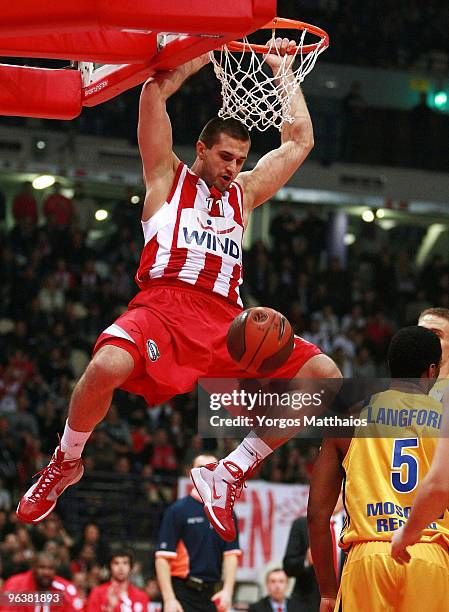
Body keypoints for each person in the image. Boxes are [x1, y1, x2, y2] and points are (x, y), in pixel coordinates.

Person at [17, 40, 341, 540]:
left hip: (226, 322)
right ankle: (66, 460)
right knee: (104, 366)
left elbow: (299, 142)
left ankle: (230, 470)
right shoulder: (166, 178)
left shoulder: (246, 195)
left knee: (325, 376)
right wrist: (202, 45)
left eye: (240, 159)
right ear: (202, 150)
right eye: (226, 156)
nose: (233, 167)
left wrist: (282, 71)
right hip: (163, 308)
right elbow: (153, 93)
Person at [308, 326, 449, 612]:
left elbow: (316, 515)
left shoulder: (349, 417)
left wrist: (327, 592)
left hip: (367, 556)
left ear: (390, 367)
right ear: (432, 370)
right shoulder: (445, 421)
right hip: (431, 555)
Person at [391, 307, 449, 563]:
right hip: (394, 528)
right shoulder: (394, 397)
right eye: (421, 331)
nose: (425, 339)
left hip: (439, 533)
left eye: (436, 334)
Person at [155, 454, 240, 612]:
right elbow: (162, 558)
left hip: (211, 595)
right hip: (182, 594)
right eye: (202, 469)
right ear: (192, 473)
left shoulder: (227, 512)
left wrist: (228, 591)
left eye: (213, 468)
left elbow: (231, 554)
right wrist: (169, 599)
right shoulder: (178, 510)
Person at [283, 495, 344, 611]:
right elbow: (288, 566)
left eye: (340, 493)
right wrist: (306, 560)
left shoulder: (352, 525)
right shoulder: (301, 525)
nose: (335, 496)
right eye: (333, 489)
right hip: (308, 603)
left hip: (345, 602)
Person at [1, 552, 84, 612]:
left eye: (50, 568)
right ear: (33, 568)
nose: (46, 572)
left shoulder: (65, 589)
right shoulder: (16, 585)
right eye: (42, 567)